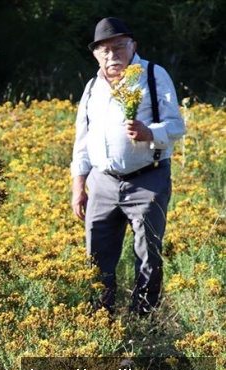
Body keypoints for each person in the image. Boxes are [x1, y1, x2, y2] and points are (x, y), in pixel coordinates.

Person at [70, 17, 185, 316]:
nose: (112, 55)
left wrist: (150, 133)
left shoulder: (153, 75)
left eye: (119, 47)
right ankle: (100, 317)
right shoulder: (92, 86)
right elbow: (82, 141)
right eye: (104, 50)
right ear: (95, 54)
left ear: (133, 46)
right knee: (96, 256)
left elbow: (176, 126)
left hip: (148, 179)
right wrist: (78, 186)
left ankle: (142, 318)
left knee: (148, 253)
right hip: (102, 182)